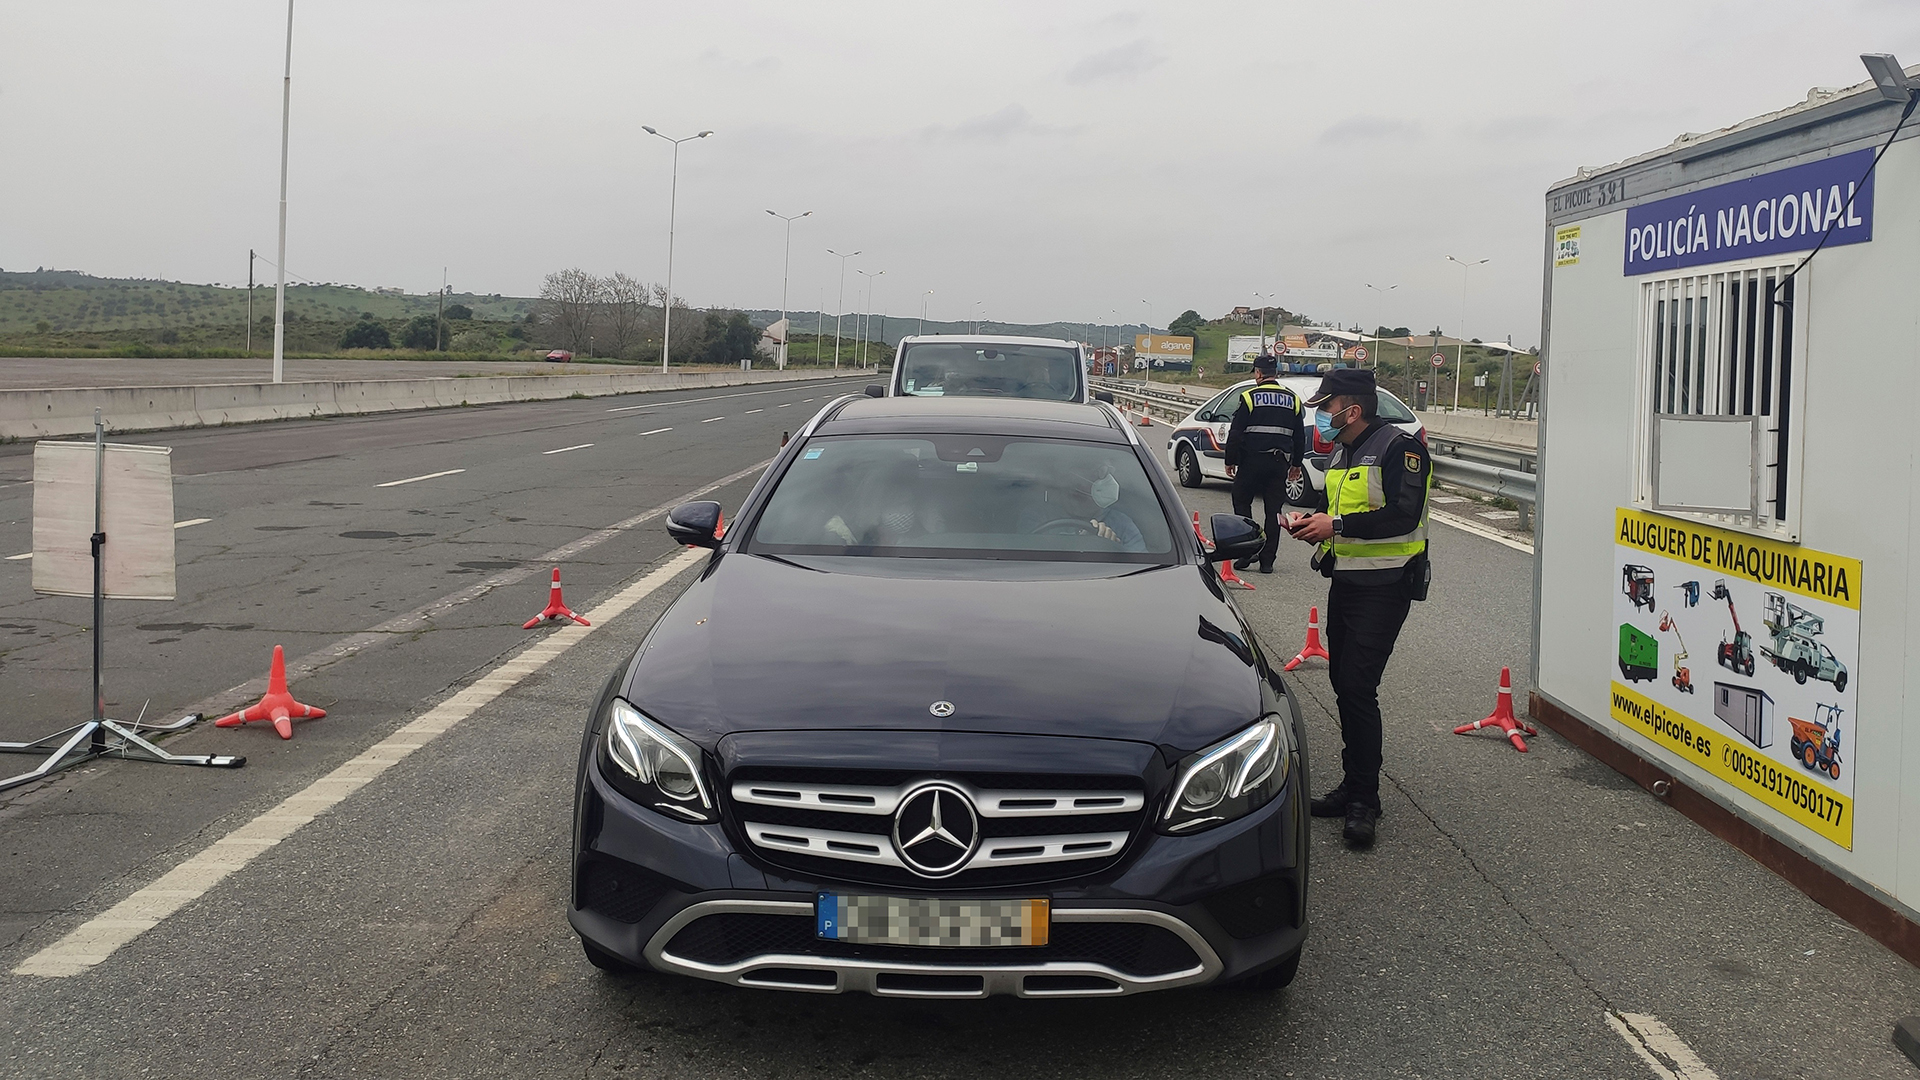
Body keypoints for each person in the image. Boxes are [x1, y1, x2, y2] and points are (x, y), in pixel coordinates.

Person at [1282, 368, 1431, 848]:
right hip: (1346, 582)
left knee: (1358, 686)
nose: (1322, 416)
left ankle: (1365, 798)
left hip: (1386, 586)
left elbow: (1402, 514)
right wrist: (1314, 524)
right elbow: (1344, 515)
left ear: (1353, 408)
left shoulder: (1400, 448)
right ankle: (1352, 786)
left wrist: (1337, 526)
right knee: (1343, 684)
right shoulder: (1344, 451)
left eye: (1327, 407)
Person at [1222, 354, 1306, 573]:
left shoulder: (1249, 397)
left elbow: (1236, 433)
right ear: (1275, 373)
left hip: (1251, 461)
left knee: (1241, 504)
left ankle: (1247, 552)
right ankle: (1267, 561)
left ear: (1258, 373)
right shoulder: (1293, 399)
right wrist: (1296, 463)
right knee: (1274, 511)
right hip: (1279, 463)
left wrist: (1230, 460)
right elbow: (1299, 436)